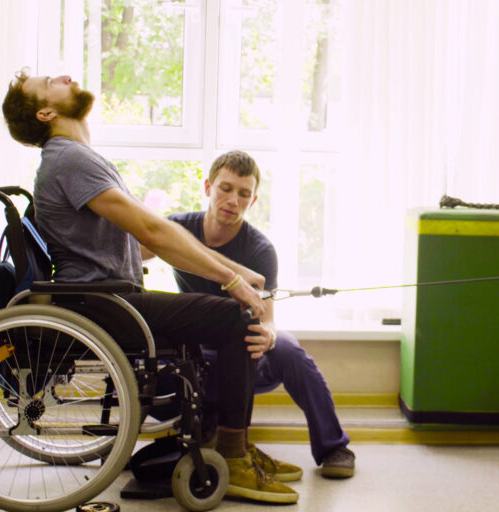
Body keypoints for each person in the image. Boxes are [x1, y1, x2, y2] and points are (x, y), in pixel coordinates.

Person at [0, 70, 298, 504]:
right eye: (51, 82)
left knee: (221, 317)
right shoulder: (70, 159)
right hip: (104, 302)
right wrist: (232, 280)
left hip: (110, 297)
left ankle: (235, 445)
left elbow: (150, 237)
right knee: (235, 319)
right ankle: (231, 455)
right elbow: (153, 232)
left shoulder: (76, 158)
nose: (64, 76)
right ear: (46, 112)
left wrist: (233, 269)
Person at [149, 150, 356, 479]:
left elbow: (268, 319)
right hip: (194, 358)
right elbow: (135, 248)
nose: (233, 200)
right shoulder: (177, 228)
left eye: (243, 194)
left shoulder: (259, 249)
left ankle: (334, 447)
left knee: (288, 348)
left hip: (241, 359)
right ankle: (211, 426)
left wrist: (270, 333)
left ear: (253, 199)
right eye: (225, 188)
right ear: (208, 187)